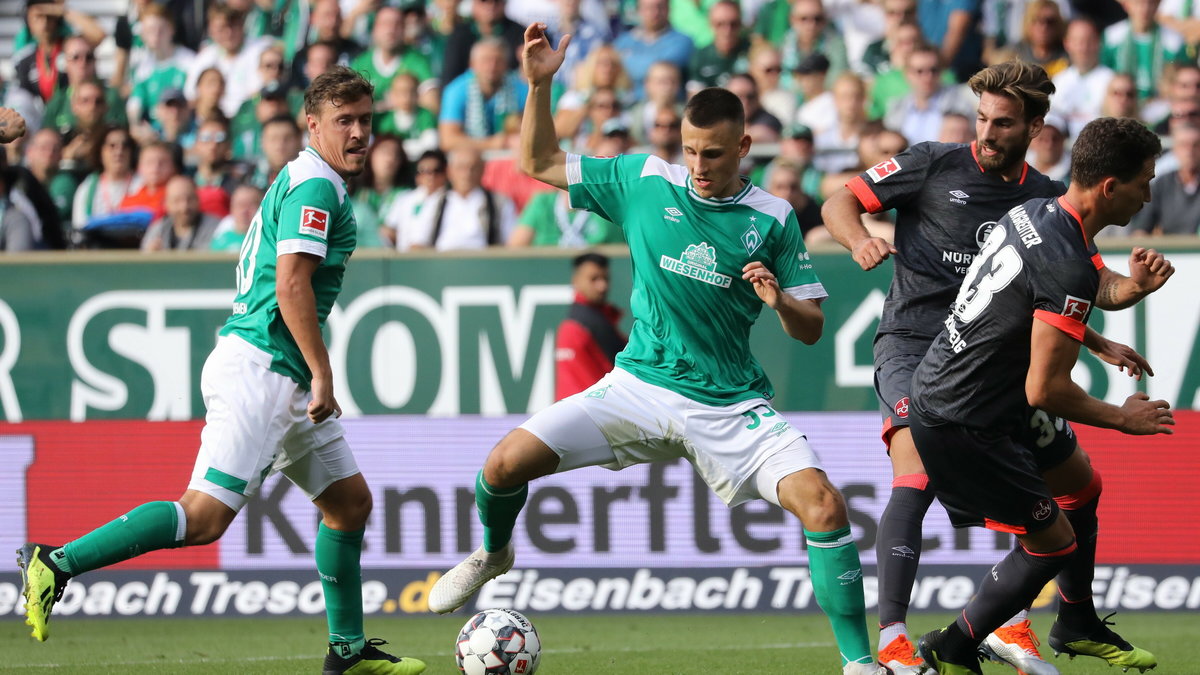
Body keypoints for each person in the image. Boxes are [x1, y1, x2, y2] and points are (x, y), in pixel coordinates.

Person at [428, 23, 884, 675]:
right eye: (692, 150)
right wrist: (539, 85)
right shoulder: (645, 178)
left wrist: (780, 300)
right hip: (636, 388)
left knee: (824, 502)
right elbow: (537, 163)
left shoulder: (773, 217)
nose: (699, 166)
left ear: (745, 146)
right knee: (502, 466)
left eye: (715, 154)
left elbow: (810, 328)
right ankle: (495, 553)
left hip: (729, 404)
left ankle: (860, 663)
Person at [16, 66, 426, 675]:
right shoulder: (316, 186)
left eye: (367, 120)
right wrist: (322, 371)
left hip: (273, 370)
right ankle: (55, 562)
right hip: (263, 369)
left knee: (348, 504)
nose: (361, 132)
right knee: (204, 518)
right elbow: (291, 284)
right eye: (346, 121)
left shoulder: (312, 179)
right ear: (312, 124)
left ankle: (348, 649)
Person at [822, 61, 1170, 675]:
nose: (986, 132)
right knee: (918, 470)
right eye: (981, 117)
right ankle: (896, 639)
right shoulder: (932, 162)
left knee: (1079, 486)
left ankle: (1048, 621)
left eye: (1003, 122)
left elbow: (1068, 285)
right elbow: (839, 201)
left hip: (994, 360)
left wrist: (1109, 320)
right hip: (919, 346)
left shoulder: (1043, 199)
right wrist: (859, 241)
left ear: (1036, 127)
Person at [913, 116, 1172, 675]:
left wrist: (1127, 296)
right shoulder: (1065, 258)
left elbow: (1071, 286)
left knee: (1081, 484)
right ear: (1110, 187)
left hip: (974, 392)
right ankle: (952, 646)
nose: (1149, 193)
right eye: (1144, 181)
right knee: (1055, 543)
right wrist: (1122, 419)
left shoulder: (1039, 212)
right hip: (966, 415)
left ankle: (1077, 621)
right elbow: (1046, 387)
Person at [554, 252, 627, 400]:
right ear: (576, 281)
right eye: (594, 279)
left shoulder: (597, 321)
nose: (602, 286)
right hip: (589, 414)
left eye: (605, 279)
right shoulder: (577, 328)